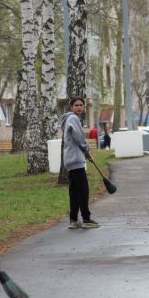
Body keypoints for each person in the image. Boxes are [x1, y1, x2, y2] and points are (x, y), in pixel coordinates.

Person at [60, 97, 100, 229]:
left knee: (75, 192)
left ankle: (73, 220)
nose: (79, 107)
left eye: (81, 105)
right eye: (76, 105)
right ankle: (86, 219)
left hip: (70, 160)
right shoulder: (74, 119)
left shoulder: (68, 119)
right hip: (76, 160)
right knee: (83, 191)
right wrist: (87, 151)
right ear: (71, 107)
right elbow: (80, 138)